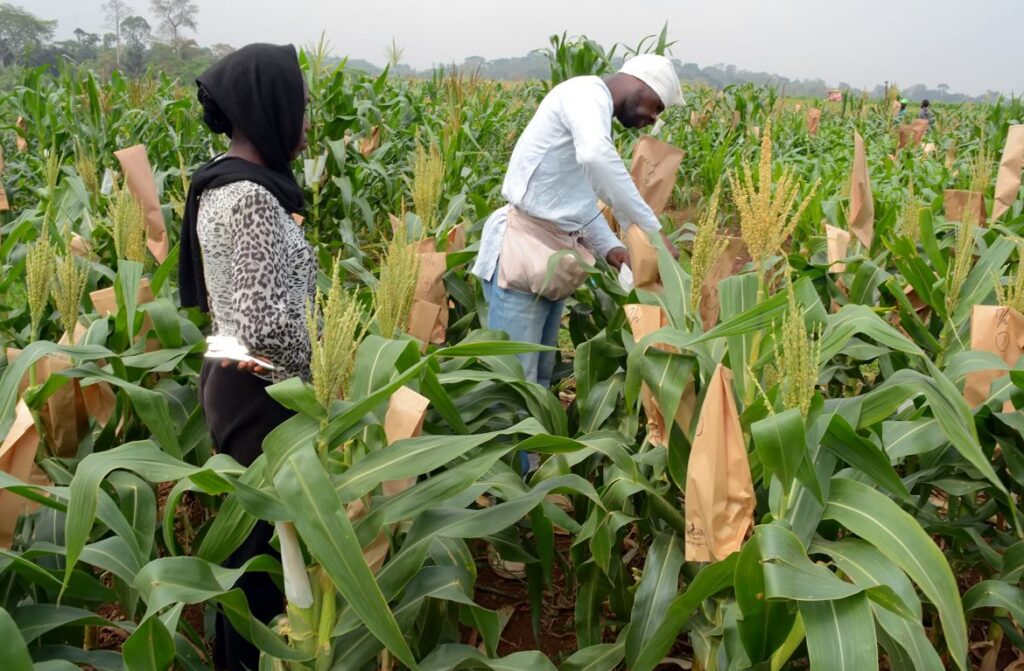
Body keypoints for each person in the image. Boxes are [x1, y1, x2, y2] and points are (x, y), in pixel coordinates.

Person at [178, 43, 314, 671]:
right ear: (271, 108)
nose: (306, 122)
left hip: (236, 374)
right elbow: (263, 324)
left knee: (252, 548)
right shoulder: (252, 198)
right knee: (260, 557)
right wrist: (328, 360)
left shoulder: (224, 179)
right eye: (300, 106)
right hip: (261, 390)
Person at [471, 54, 684, 396]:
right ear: (642, 84)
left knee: (540, 379)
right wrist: (652, 231)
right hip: (522, 256)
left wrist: (614, 251)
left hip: (550, 263)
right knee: (515, 388)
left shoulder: (594, 117)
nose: (652, 119)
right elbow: (595, 158)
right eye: (656, 107)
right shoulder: (585, 94)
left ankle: (537, 433)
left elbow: (578, 204)